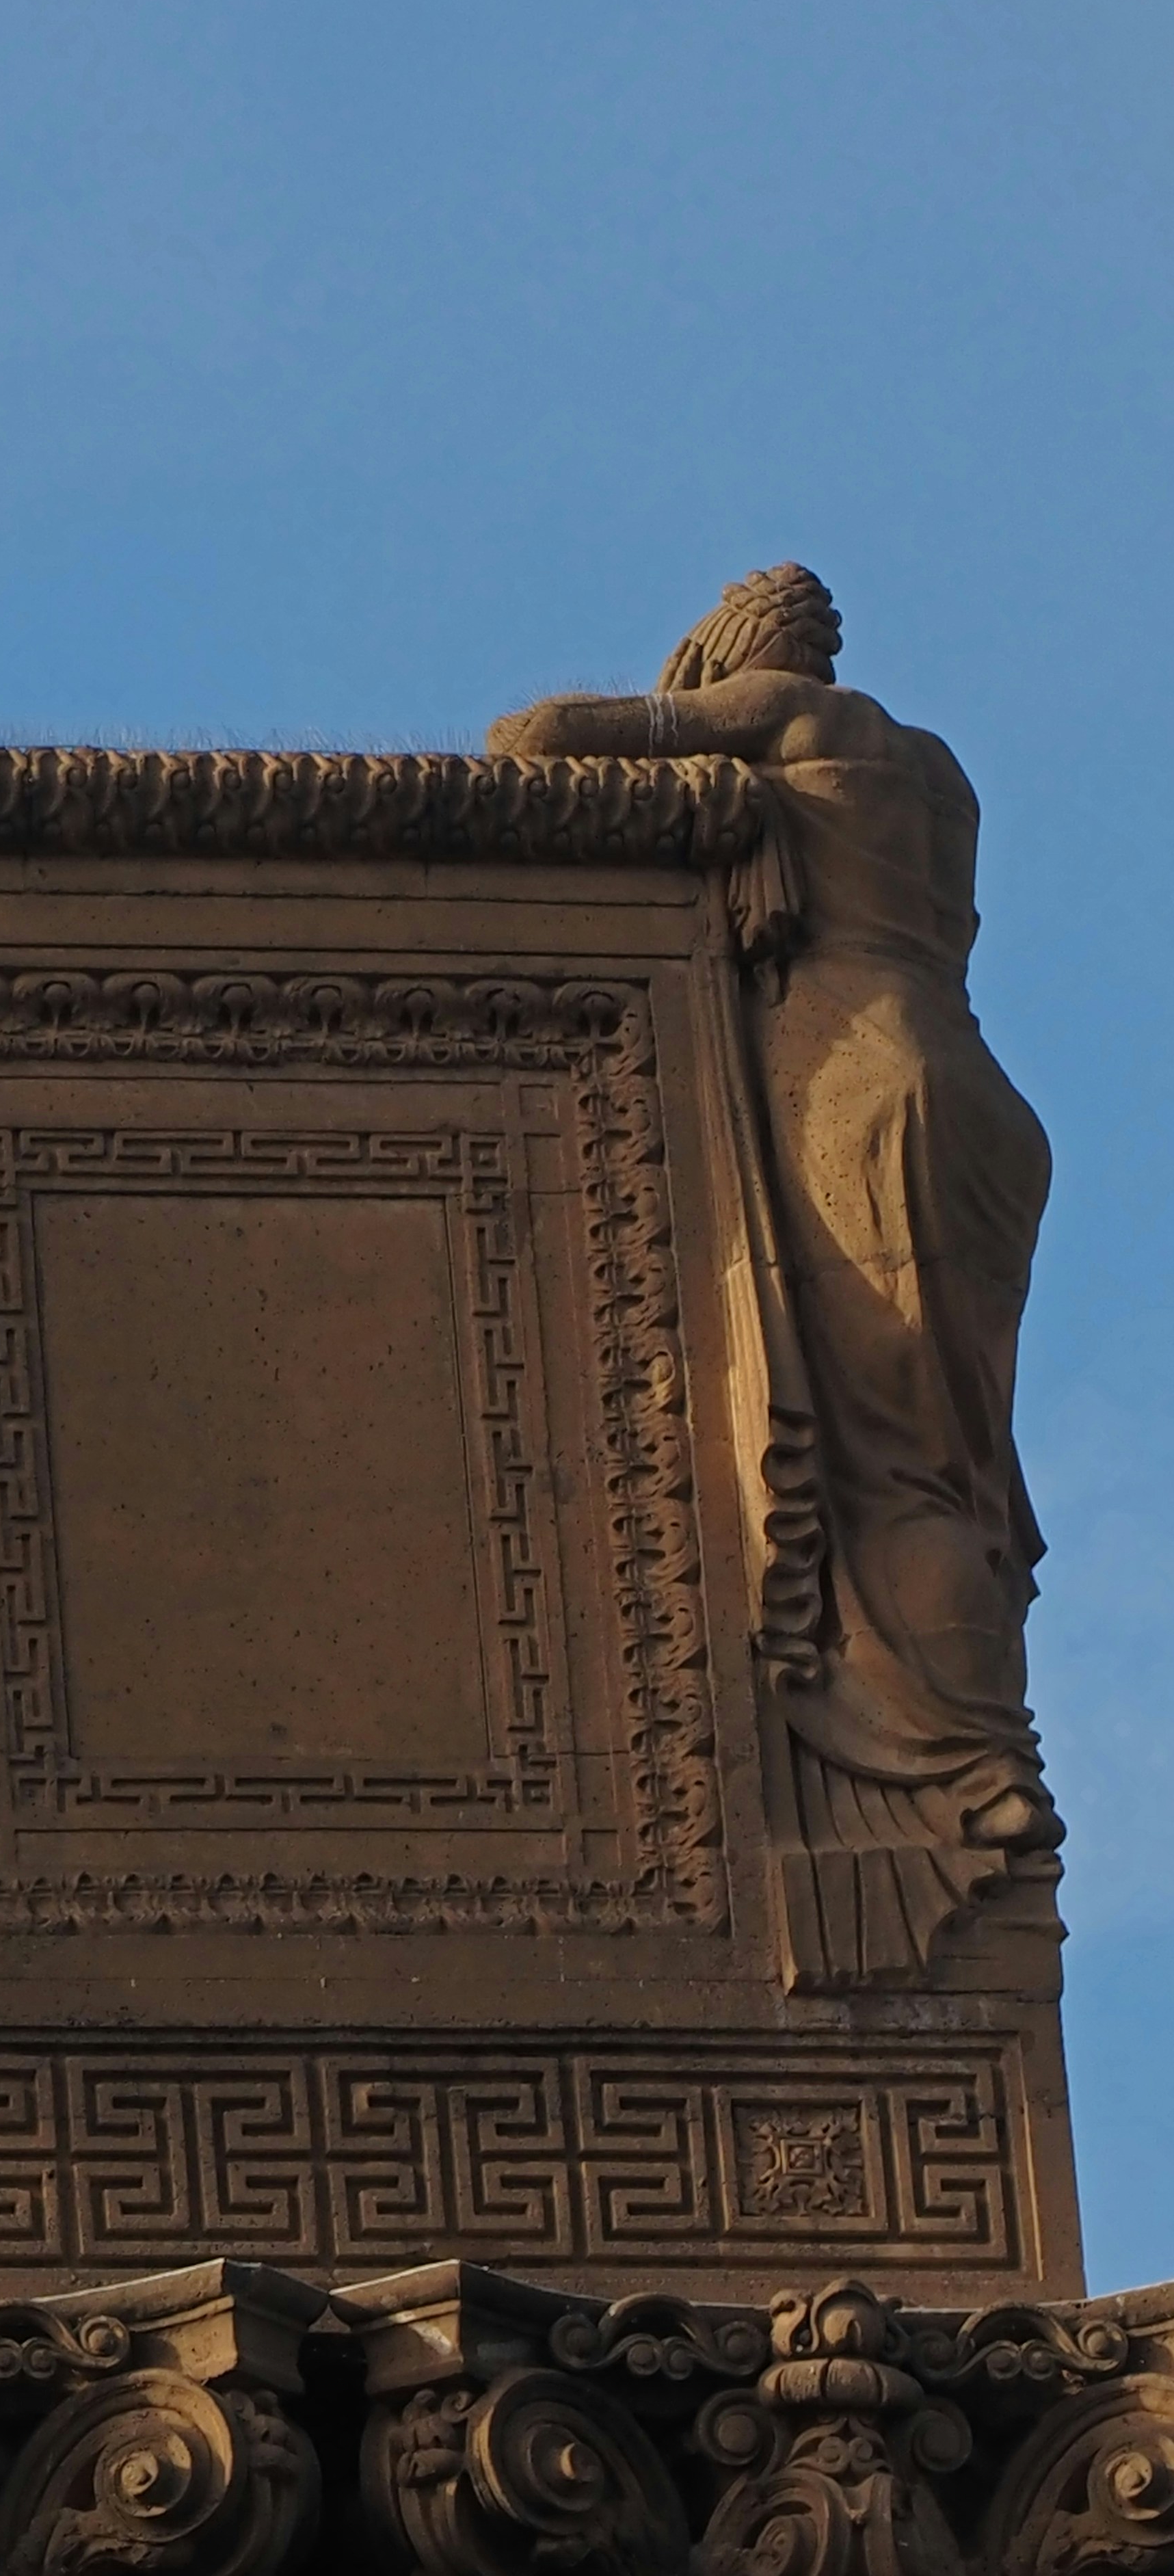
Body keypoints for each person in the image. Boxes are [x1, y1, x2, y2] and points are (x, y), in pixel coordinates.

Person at [491, 566, 1057, 1982]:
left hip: (865, 1096)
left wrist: (689, 703)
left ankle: (964, 1768)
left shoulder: (793, 725)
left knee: (886, 1477)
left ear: (743, 655)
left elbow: (540, 738)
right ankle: (990, 1747)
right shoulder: (938, 774)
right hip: (982, 1099)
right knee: (962, 1469)